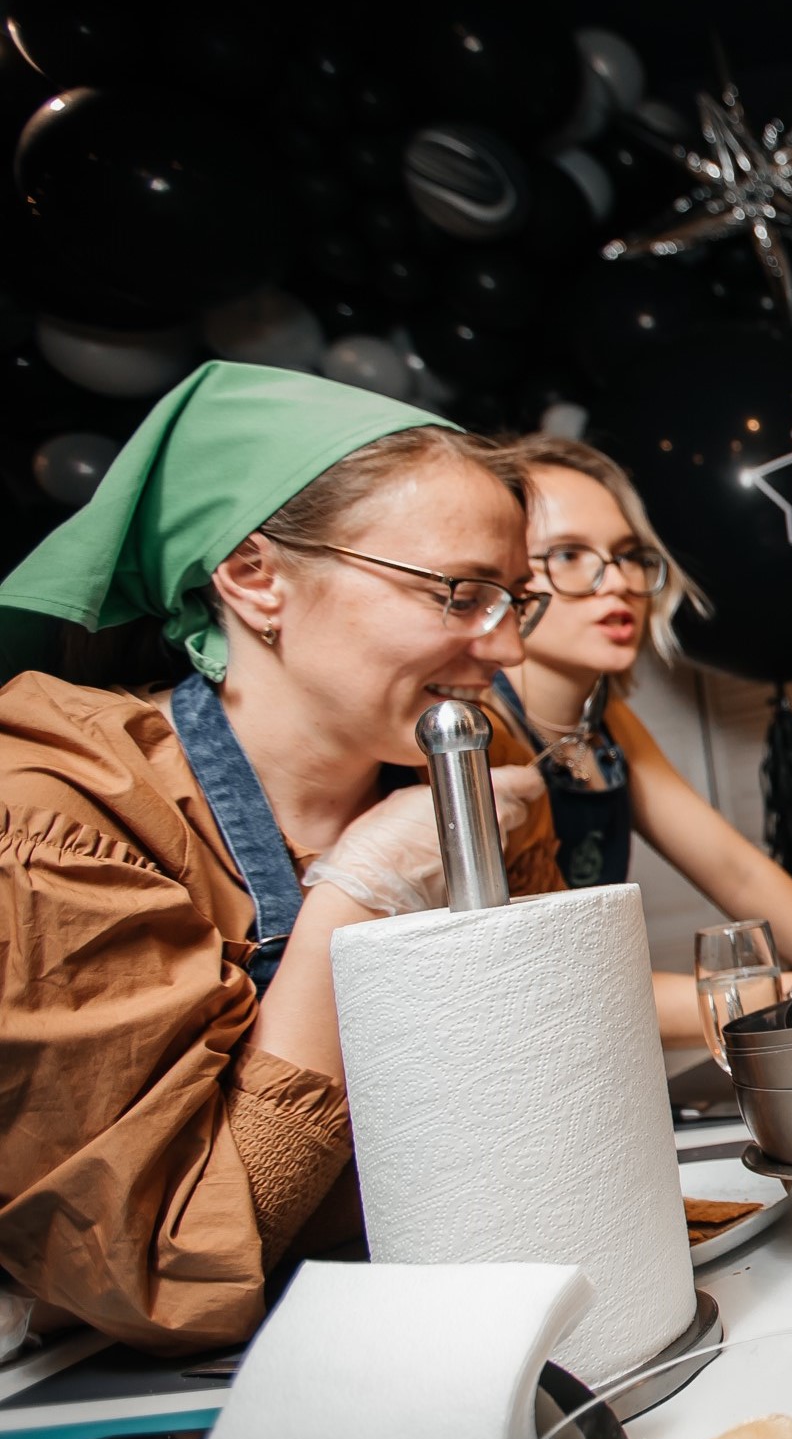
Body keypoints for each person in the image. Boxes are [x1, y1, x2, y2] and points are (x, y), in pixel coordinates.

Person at [0, 364, 560, 1354]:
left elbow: (550, 1081)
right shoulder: (60, 813)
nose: (508, 648)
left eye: (516, 599)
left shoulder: (474, 760)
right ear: (255, 577)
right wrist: (356, 895)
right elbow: (169, 1269)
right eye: (462, 593)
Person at [490, 435, 792, 1045]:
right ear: (498, 574)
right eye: (569, 554)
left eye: (627, 555)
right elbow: (550, 992)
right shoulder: (478, 734)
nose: (616, 581)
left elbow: (736, 871)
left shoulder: (606, 724)